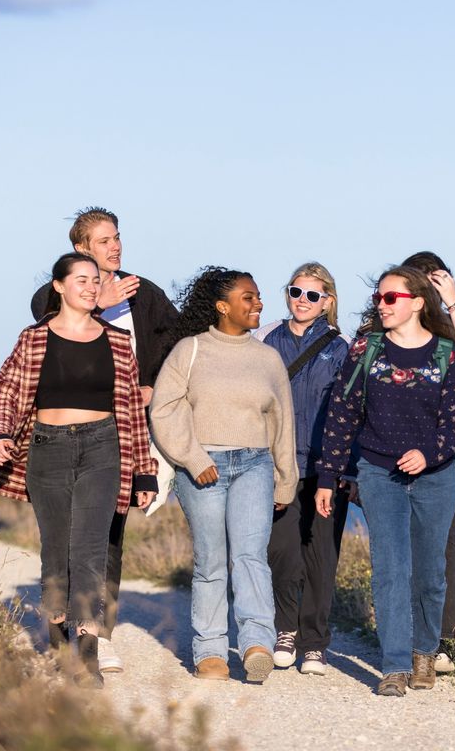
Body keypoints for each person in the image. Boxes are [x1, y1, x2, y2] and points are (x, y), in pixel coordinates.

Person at [0, 253, 158, 689]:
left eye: (95, 279)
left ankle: (87, 651)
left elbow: (132, 414)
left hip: (104, 448)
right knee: (56, 548)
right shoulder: (34, 338)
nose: (90, 285)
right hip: (47, 449)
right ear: (60, 286)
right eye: (81, 279)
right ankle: (58, 628)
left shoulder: (118, 341)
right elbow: (3, 393)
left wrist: (144, 471)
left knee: (89, 548)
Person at [30, 205, 180, 674]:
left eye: (117, 238)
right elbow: (42, 324)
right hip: (58, 433)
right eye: (103, 241)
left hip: (118, 428)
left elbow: (176, 337)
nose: (115, 247)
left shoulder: (143, 291)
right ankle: (59, 628)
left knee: (107, 534)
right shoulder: (54, 291)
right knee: (61, 539)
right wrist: (98, 299)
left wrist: (153, 380)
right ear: (80, 249)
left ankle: (99, 633)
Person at [316, 265, 455, 696]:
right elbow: (342, 414)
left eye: (390, 298)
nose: (381, 305)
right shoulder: (367, 349)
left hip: (436, 477)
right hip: (378, 473)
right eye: (378, 299)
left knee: (429, 571)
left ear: (417, 303)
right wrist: (328, 476)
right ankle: (395, 666)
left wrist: (430, 453)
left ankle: (425, 653)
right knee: (389, 570)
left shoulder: (446, 353)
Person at [150, 267, 297, 683]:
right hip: (203, 469)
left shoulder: (267, 358)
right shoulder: (190, 350)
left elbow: (282, 422)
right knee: (211, 561)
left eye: (258, 296)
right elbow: (164, 409)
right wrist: (194, 459)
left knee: (250, 558)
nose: (258, 304)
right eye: (248, 297)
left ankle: (256, 645)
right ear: (222, 306)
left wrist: (285, 478)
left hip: (255, 464)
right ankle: (211, 650)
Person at [254, 263, 352, 675]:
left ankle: (314, 642)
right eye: (295, 292)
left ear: (327, 301)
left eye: (312, 295)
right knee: (282, 552)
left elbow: (349, 407)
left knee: (321, 555)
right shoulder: (266, 339)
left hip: (327, 465)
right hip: (277, 463)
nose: (302, 301)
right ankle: (285, 630)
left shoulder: (341, 346)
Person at [402, 251, 455, 674]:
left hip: (448, 448)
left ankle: (442, 640)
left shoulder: (448, 330)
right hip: (395, 448)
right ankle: (407, 638)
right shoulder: (385, 324)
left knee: (442, 540)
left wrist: (454, 300)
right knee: (402, 540)